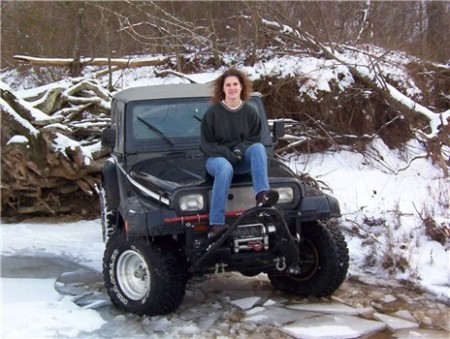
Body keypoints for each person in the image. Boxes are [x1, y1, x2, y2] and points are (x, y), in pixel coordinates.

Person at [200, 68, 279, 242]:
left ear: (242, 87)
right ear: (223, 88)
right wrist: (226, 153)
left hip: (240, 159)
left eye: (235, 84)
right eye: (228, 85)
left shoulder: (250, 112)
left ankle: (261, 196)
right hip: (216, 160)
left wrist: (239, 150)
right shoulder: (212, 114)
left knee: (258, 148)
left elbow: (254, 139)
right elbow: (206, 144)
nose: (232, 88)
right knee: (225, 167)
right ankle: (216, 224)